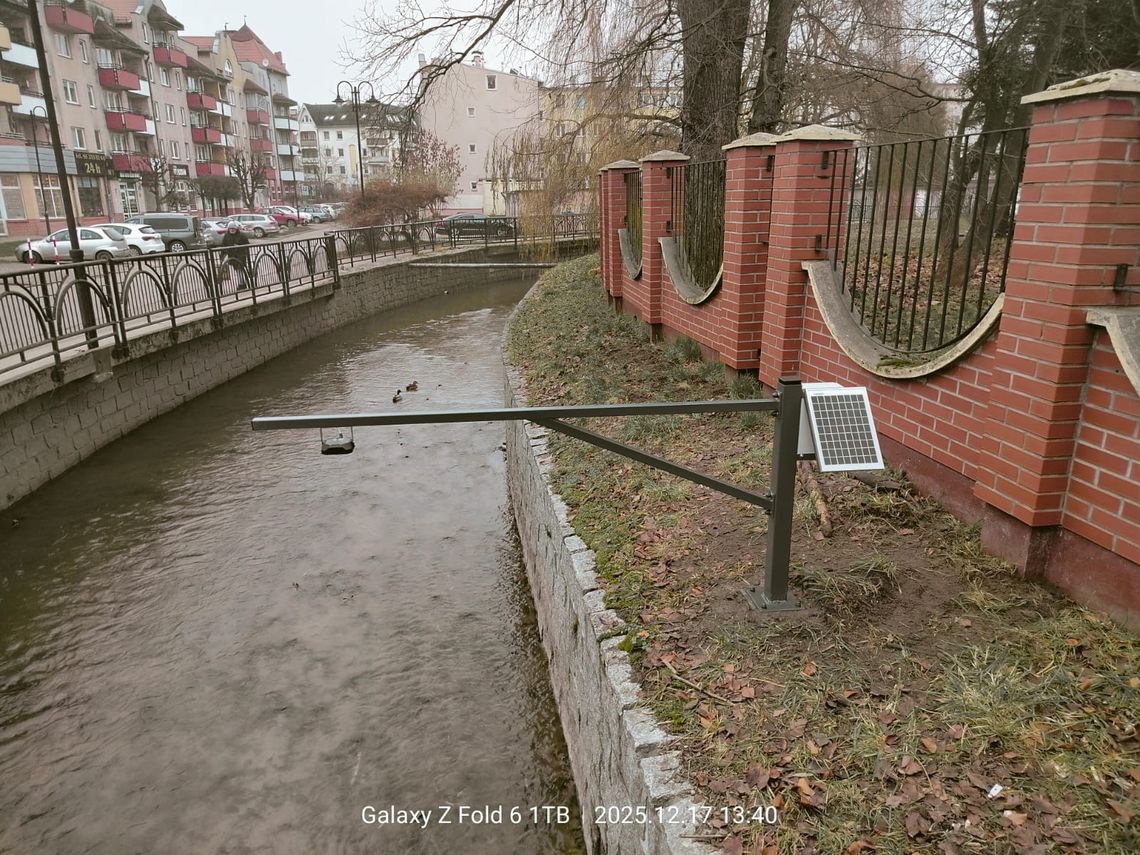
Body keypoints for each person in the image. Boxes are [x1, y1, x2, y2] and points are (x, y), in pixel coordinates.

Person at [219, 221, 251, 289]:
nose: (232, 230)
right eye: (230, 229)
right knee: (237, 269)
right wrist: (222, 256)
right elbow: (223, 246)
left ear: (236, 229)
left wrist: (239, 246)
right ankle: (243, 283)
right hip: (232, 255)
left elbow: (247, 245)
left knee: (240, 269)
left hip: (240, 255)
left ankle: (242, 283)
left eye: (233, 229)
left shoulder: (241, 235)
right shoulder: (226, 236)